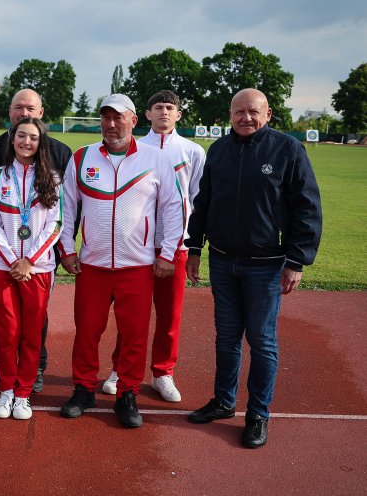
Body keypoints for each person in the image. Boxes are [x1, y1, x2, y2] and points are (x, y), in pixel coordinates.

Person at [186, 88, 322, 449]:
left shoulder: (288, 149)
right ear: (230, 115)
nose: (246, 118)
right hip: (223, 260)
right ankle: (224, 401)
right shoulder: (219, 150)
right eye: (239, 112)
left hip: (266, 265)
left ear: (268, 114)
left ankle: (258, 414)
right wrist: (194, 247)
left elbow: (306, 207)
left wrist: (297, 260)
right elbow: (203, 202)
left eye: (253, 112)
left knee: (262, 341)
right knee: (226, 338)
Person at [58, 93, 183, 428]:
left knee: (134, 335)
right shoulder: (82, 157)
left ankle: (127, 394)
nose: (111, 124)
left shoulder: (156, 158)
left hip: (137, 266)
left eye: (118, 118)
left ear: (133, 121)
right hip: (92, 266)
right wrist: (66, 249)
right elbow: (66, 207)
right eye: (105, 118)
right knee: (87, 331)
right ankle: (83, 389)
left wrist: (167, 253)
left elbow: (174, 208)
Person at [101, 90, 205, 402]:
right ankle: (120, 369)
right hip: (137, 245)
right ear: (146, 114)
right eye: (158, 107)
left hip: (175, 246)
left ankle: (163, 372)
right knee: (131, 314)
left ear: (178, 114)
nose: (164, 112)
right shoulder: (133, 147)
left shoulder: (193, 151)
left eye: (170, 107)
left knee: (169, 315)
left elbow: (196, 201)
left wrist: (192, 245)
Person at [0, 88, 72, 393]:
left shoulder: (55, 168)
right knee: (3, 322)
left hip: (38, 264)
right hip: (2, 260)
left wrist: (30, 260)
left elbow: (58, 220)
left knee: (34, 325)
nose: (26, 140)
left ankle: (30, 378)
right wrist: (12, 260)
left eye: (30, 108)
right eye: (19, 108)